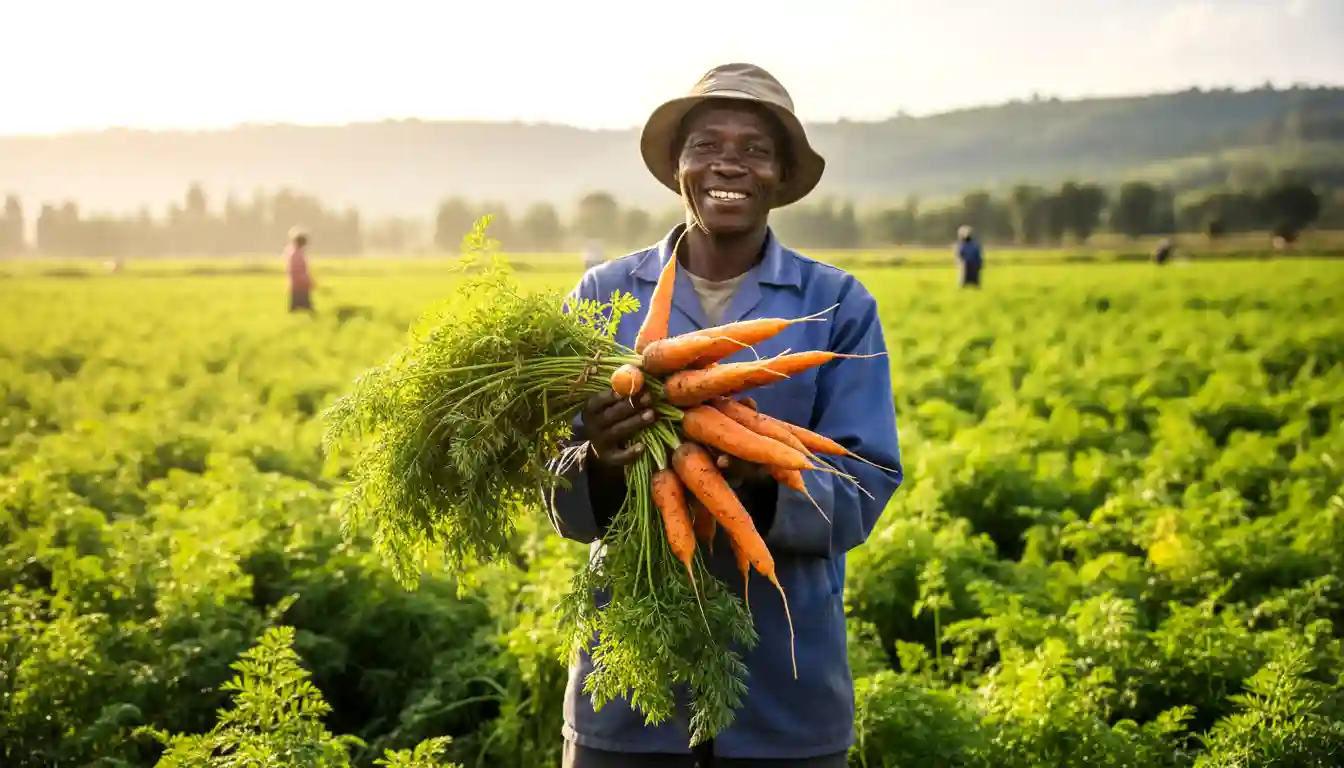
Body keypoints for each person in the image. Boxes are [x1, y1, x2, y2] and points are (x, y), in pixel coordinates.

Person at [545, 63, 903, 768]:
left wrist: (757, 473)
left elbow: (864, 489)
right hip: (629, 691)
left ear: (779, 175)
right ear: (678, 166)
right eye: (706, 144)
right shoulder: (603, 295)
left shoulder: (837, 304)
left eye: (754, 149)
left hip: (785, 691)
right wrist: (600, 461)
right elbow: (556, 491)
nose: (727, 164)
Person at [285, 228, 315, 312]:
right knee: (307, 307)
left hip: (297, 285)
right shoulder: (297, 255)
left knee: (297, 307)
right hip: (300, 286)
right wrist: (308, 281)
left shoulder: (295, 253)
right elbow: (299, 271)